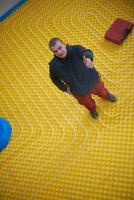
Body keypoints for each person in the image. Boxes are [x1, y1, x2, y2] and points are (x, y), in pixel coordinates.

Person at [48, 38, 117, 119]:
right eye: (55, 51)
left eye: (60, 48)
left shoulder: (76, 49)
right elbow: (54, 78)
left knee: (102, 91)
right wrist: (64, 88)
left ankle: (107, 95)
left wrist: (88, 58)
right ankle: (92, 109)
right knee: (87, 103)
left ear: (64, 44)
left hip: (92, 80)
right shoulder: (53, 66)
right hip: (78, 90)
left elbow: (87, 52)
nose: (59, 52)